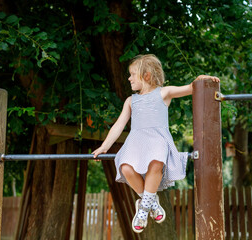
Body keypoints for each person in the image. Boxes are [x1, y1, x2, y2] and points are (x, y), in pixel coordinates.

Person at [92, 54, 220, 233]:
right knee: (126, 168)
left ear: (146, 75)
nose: (128, 78)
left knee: (157, 163)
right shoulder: (131, 101)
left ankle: (143, 210)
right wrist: (104, 147)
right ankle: (151, 202)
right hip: (137, 141)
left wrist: (200, 80)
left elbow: (191, 88)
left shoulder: (163, 93)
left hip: (158, 140)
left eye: (132, 74)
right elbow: (119, 125)